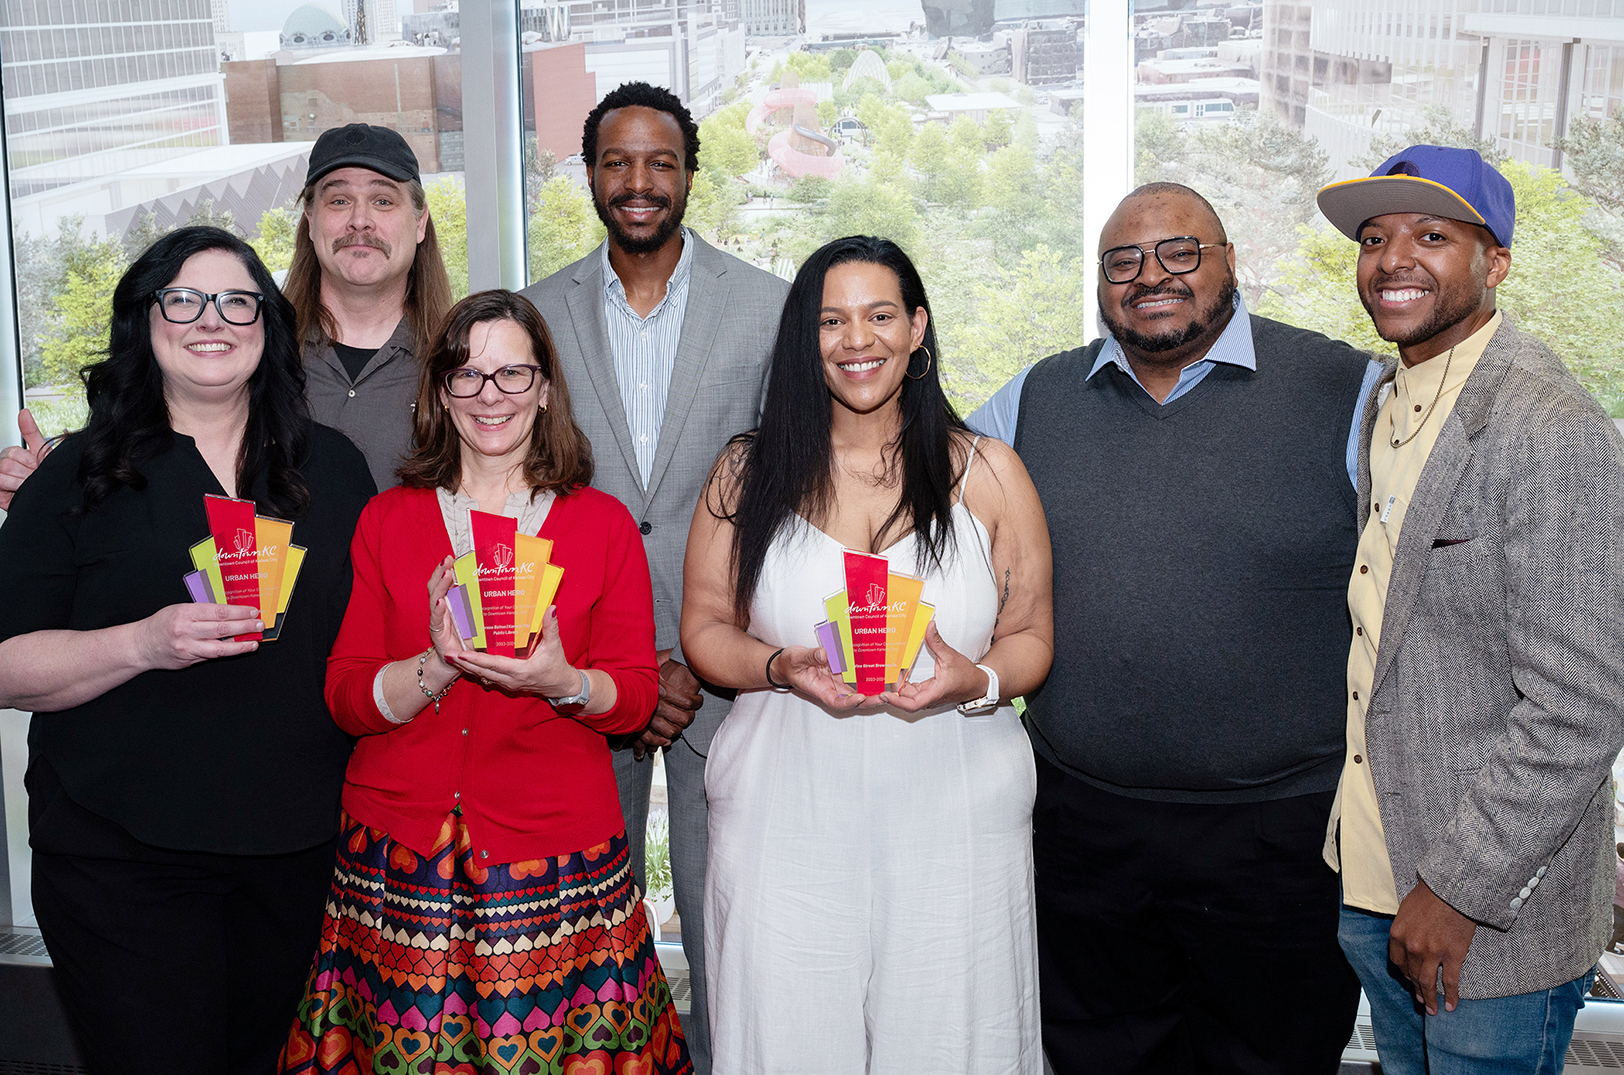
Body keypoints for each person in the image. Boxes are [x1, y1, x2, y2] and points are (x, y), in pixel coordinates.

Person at [967, 183, 1377, 1074]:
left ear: (1230, 263)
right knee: (1094, 1053)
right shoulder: (1036, 399)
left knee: (1272, 1056)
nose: (1151, 275)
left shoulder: (1347, 389)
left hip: (1279, 834)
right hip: (1083, 827)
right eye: (1124, 261)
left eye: (1181, 252)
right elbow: (912, 488)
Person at [281, 290, 689, 1075]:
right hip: (398, 865)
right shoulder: (389, 518)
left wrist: (563, 680)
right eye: (466, 375)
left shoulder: (600, 524)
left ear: (544, 388)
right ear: (440, 391)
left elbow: (636, 697)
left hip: (556, 866)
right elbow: (345, 696)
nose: (489, 395)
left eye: (512, 374)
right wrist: (437, 664)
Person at [0, 226, 375, 1074]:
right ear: (147, 318)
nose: (213, 319)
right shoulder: (76, 476)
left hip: (297, 857)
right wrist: (141, 641)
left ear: (268, 325)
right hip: (122, 863)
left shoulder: (334, 469)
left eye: (238, 300)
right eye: (184, 298)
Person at [682, 235, 1054, 1073]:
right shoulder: (745, 473)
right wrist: (779, 666)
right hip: (785, 806)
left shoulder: (989, 472)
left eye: (880, 314)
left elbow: (1032, 633)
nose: (858, 340)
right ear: (802, 341)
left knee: (954, 1036)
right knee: (785, 1033)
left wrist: (977, 679)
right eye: (832, 320)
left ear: (917, 327)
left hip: (953, 808)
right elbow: (705, 628)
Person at [1315, 145, 1624, 1073]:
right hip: (1373, 878)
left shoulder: (1548, 427)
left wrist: (1456, 889)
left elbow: (1582, 703)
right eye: (1375, 237)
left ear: (1496, 263)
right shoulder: (1387, 402)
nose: (1394, 258)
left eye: (1434, 235)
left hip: (1484, 917)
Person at [520, 81, 788, 1071]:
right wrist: (629, 658)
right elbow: (523, 487)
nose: (639, 182)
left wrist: (697, 650)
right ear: (588, 174)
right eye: (617, 161)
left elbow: (786, 492)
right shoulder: (534, 313)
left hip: (727, 668)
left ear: (689, 175)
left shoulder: (766, 307)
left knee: (734, 919)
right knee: (588, 919)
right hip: (581, 668)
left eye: (660, 162)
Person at [0, 122, 452, 502]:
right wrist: (55, 490)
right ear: (310, 221)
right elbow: (135, 461)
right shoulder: (233, 349)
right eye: (338, 200)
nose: (359, 220)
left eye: (383, 199)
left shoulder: (464, 366)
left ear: (419, 221)